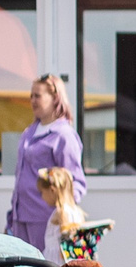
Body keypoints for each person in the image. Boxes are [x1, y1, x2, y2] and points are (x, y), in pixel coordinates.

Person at [7, 75, 84, 254]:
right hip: (21, 218)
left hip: (46, 220)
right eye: (31, 96)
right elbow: (21, 177)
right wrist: (11, 218)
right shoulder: (29, 133)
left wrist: (64, 216)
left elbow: (75, 182)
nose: (33, 101)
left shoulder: (63, 135)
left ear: (55, 97)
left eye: (38, 96)